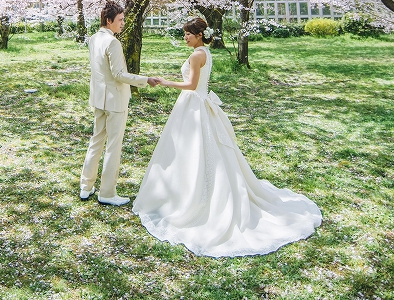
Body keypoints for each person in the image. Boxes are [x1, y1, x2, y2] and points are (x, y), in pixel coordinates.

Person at [132, 17, 322, 257]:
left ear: (199, 35)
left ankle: (191, 196)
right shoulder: (205, 52)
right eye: (184, 34)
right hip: (198, 105)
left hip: (194, 106)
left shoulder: (196, 55)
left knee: (193, 150)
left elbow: (191, 85)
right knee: (198, 150)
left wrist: (166, 82)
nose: (185, 38)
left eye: (188, 34)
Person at [80, 2, 161, 206]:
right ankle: (107, 193)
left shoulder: (93, 38)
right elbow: (118, 74)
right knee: (113, 147)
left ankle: (86, 186)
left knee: (96, 141)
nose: (123, 24)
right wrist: (145, 80)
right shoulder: (112, 42)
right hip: (114, 100)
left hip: (99, 98)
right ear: (109, 21)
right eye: (120, 20)